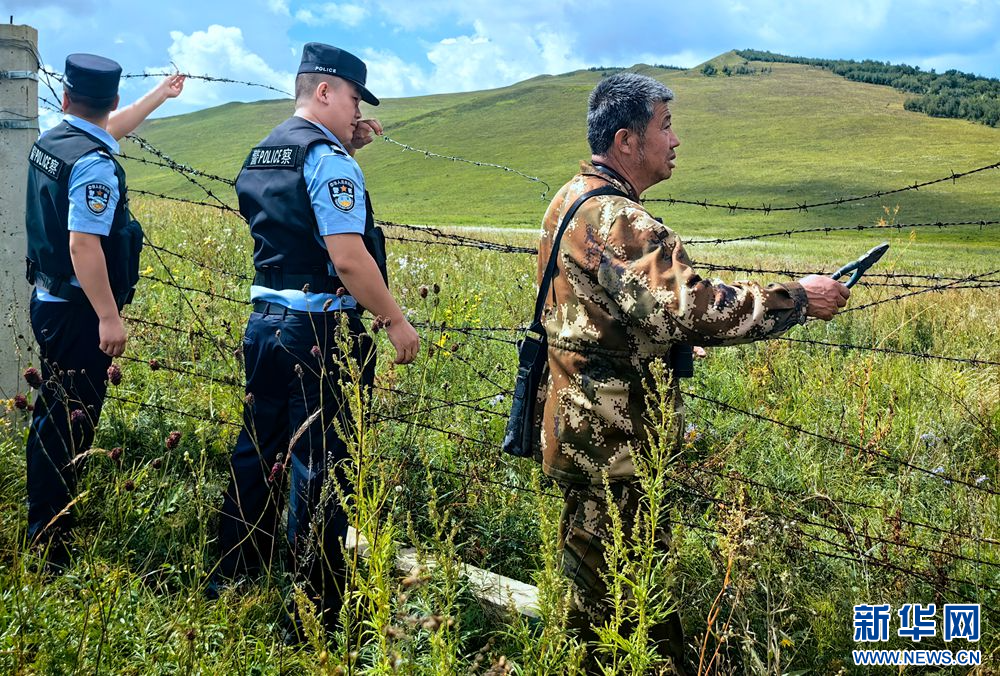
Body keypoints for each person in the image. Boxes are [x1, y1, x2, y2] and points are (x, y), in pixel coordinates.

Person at [537, 72, 850, 673]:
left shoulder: (572, 196)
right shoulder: (620, 219)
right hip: (616, 442)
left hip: (578, 427)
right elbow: (694, 308)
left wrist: (663, 341)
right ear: (627, 141)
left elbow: (604, 309)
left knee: (593, 594)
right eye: (666, 126)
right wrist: (796, 299)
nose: (675, 140)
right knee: (632, 601)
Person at [216, 42, 420, 638]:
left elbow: (292, 222)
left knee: (258, 450)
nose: (359, 113)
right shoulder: (329, 161)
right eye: (355, 98)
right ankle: (313, 612)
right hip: (320, 331)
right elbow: (347, 257)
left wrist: (344, 148)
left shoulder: (265, 150)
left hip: (265, 321)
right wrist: (394, 319)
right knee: (321, 467)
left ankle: (233, 578)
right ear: (325, 90)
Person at [24, 53, 184, 570]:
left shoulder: (55, 141)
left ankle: (45, 524)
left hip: (49, 298)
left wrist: (159, 95)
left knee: (54, 415)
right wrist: (109, 317)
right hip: (78, 312)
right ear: (111, 99)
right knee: (68, 424)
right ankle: (49, 542)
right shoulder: (94, 165)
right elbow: (84, 245)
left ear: (66, 98)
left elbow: (108, 128)